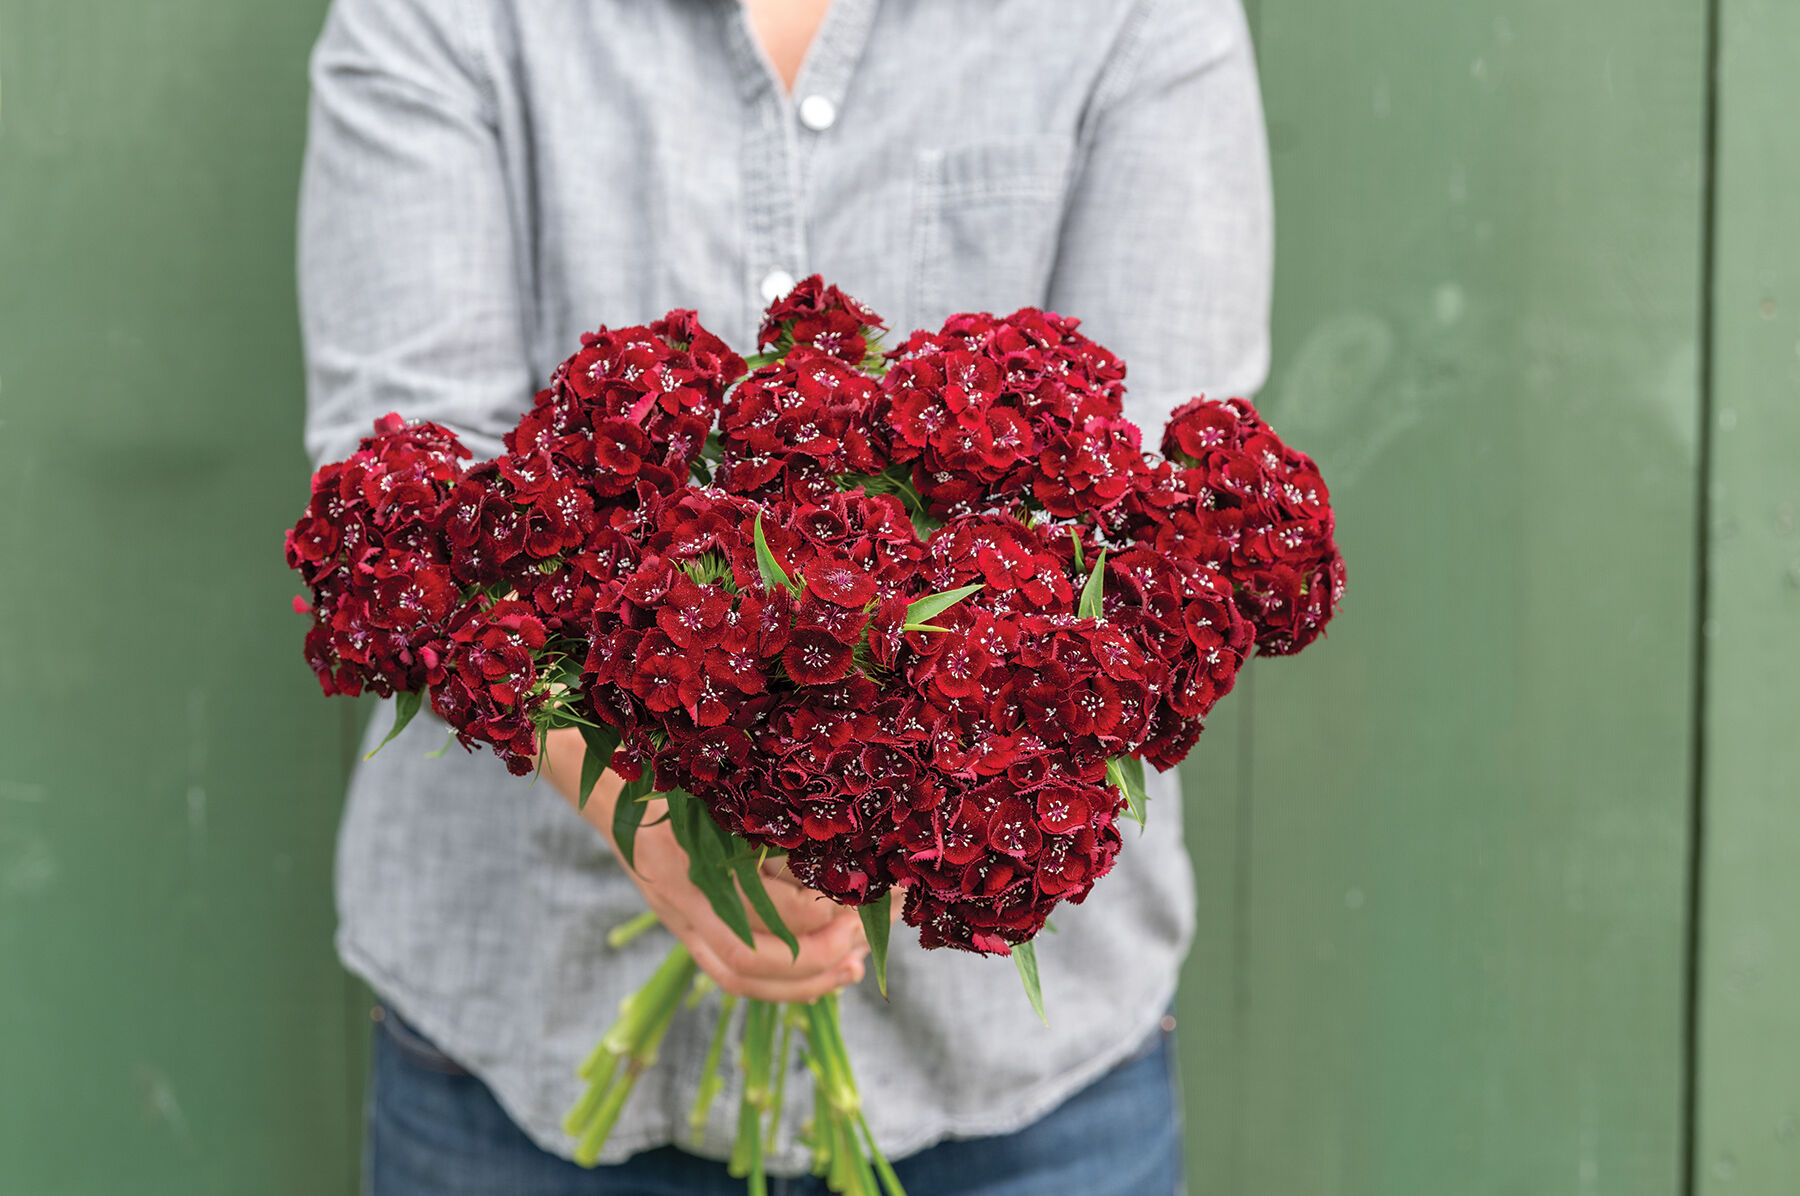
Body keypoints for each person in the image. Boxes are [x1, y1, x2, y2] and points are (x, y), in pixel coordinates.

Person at [298, 0, 1271, 1191]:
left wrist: (868, 785)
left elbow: (1151, 514)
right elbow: (409, 488)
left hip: (1020, 1090)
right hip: (522, 1054)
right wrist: (646, 811)